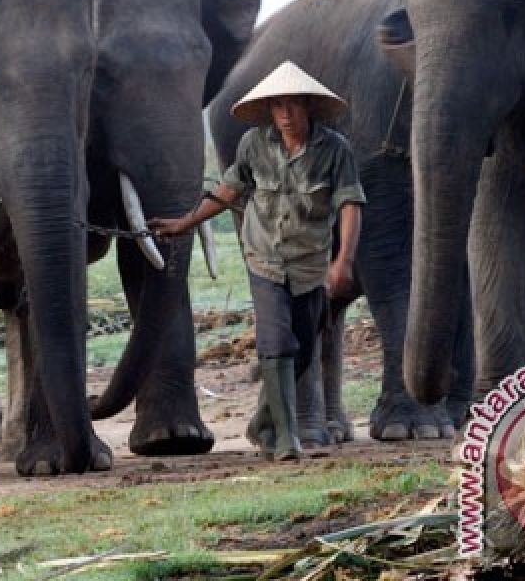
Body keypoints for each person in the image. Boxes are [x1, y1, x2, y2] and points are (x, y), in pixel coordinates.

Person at [149, 62, 364, 460]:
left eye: (292, 105)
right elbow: (229, 190)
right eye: (277, 106)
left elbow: (350, 204)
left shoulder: (335, 150)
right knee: (275, 342)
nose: (284, 114)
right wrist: (185, 223)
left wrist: (343, 262)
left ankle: (260, 422)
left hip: (310, 263)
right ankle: (284, 439)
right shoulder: (254, 144)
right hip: (264, 259)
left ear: (308, 107)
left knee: (300, 349)